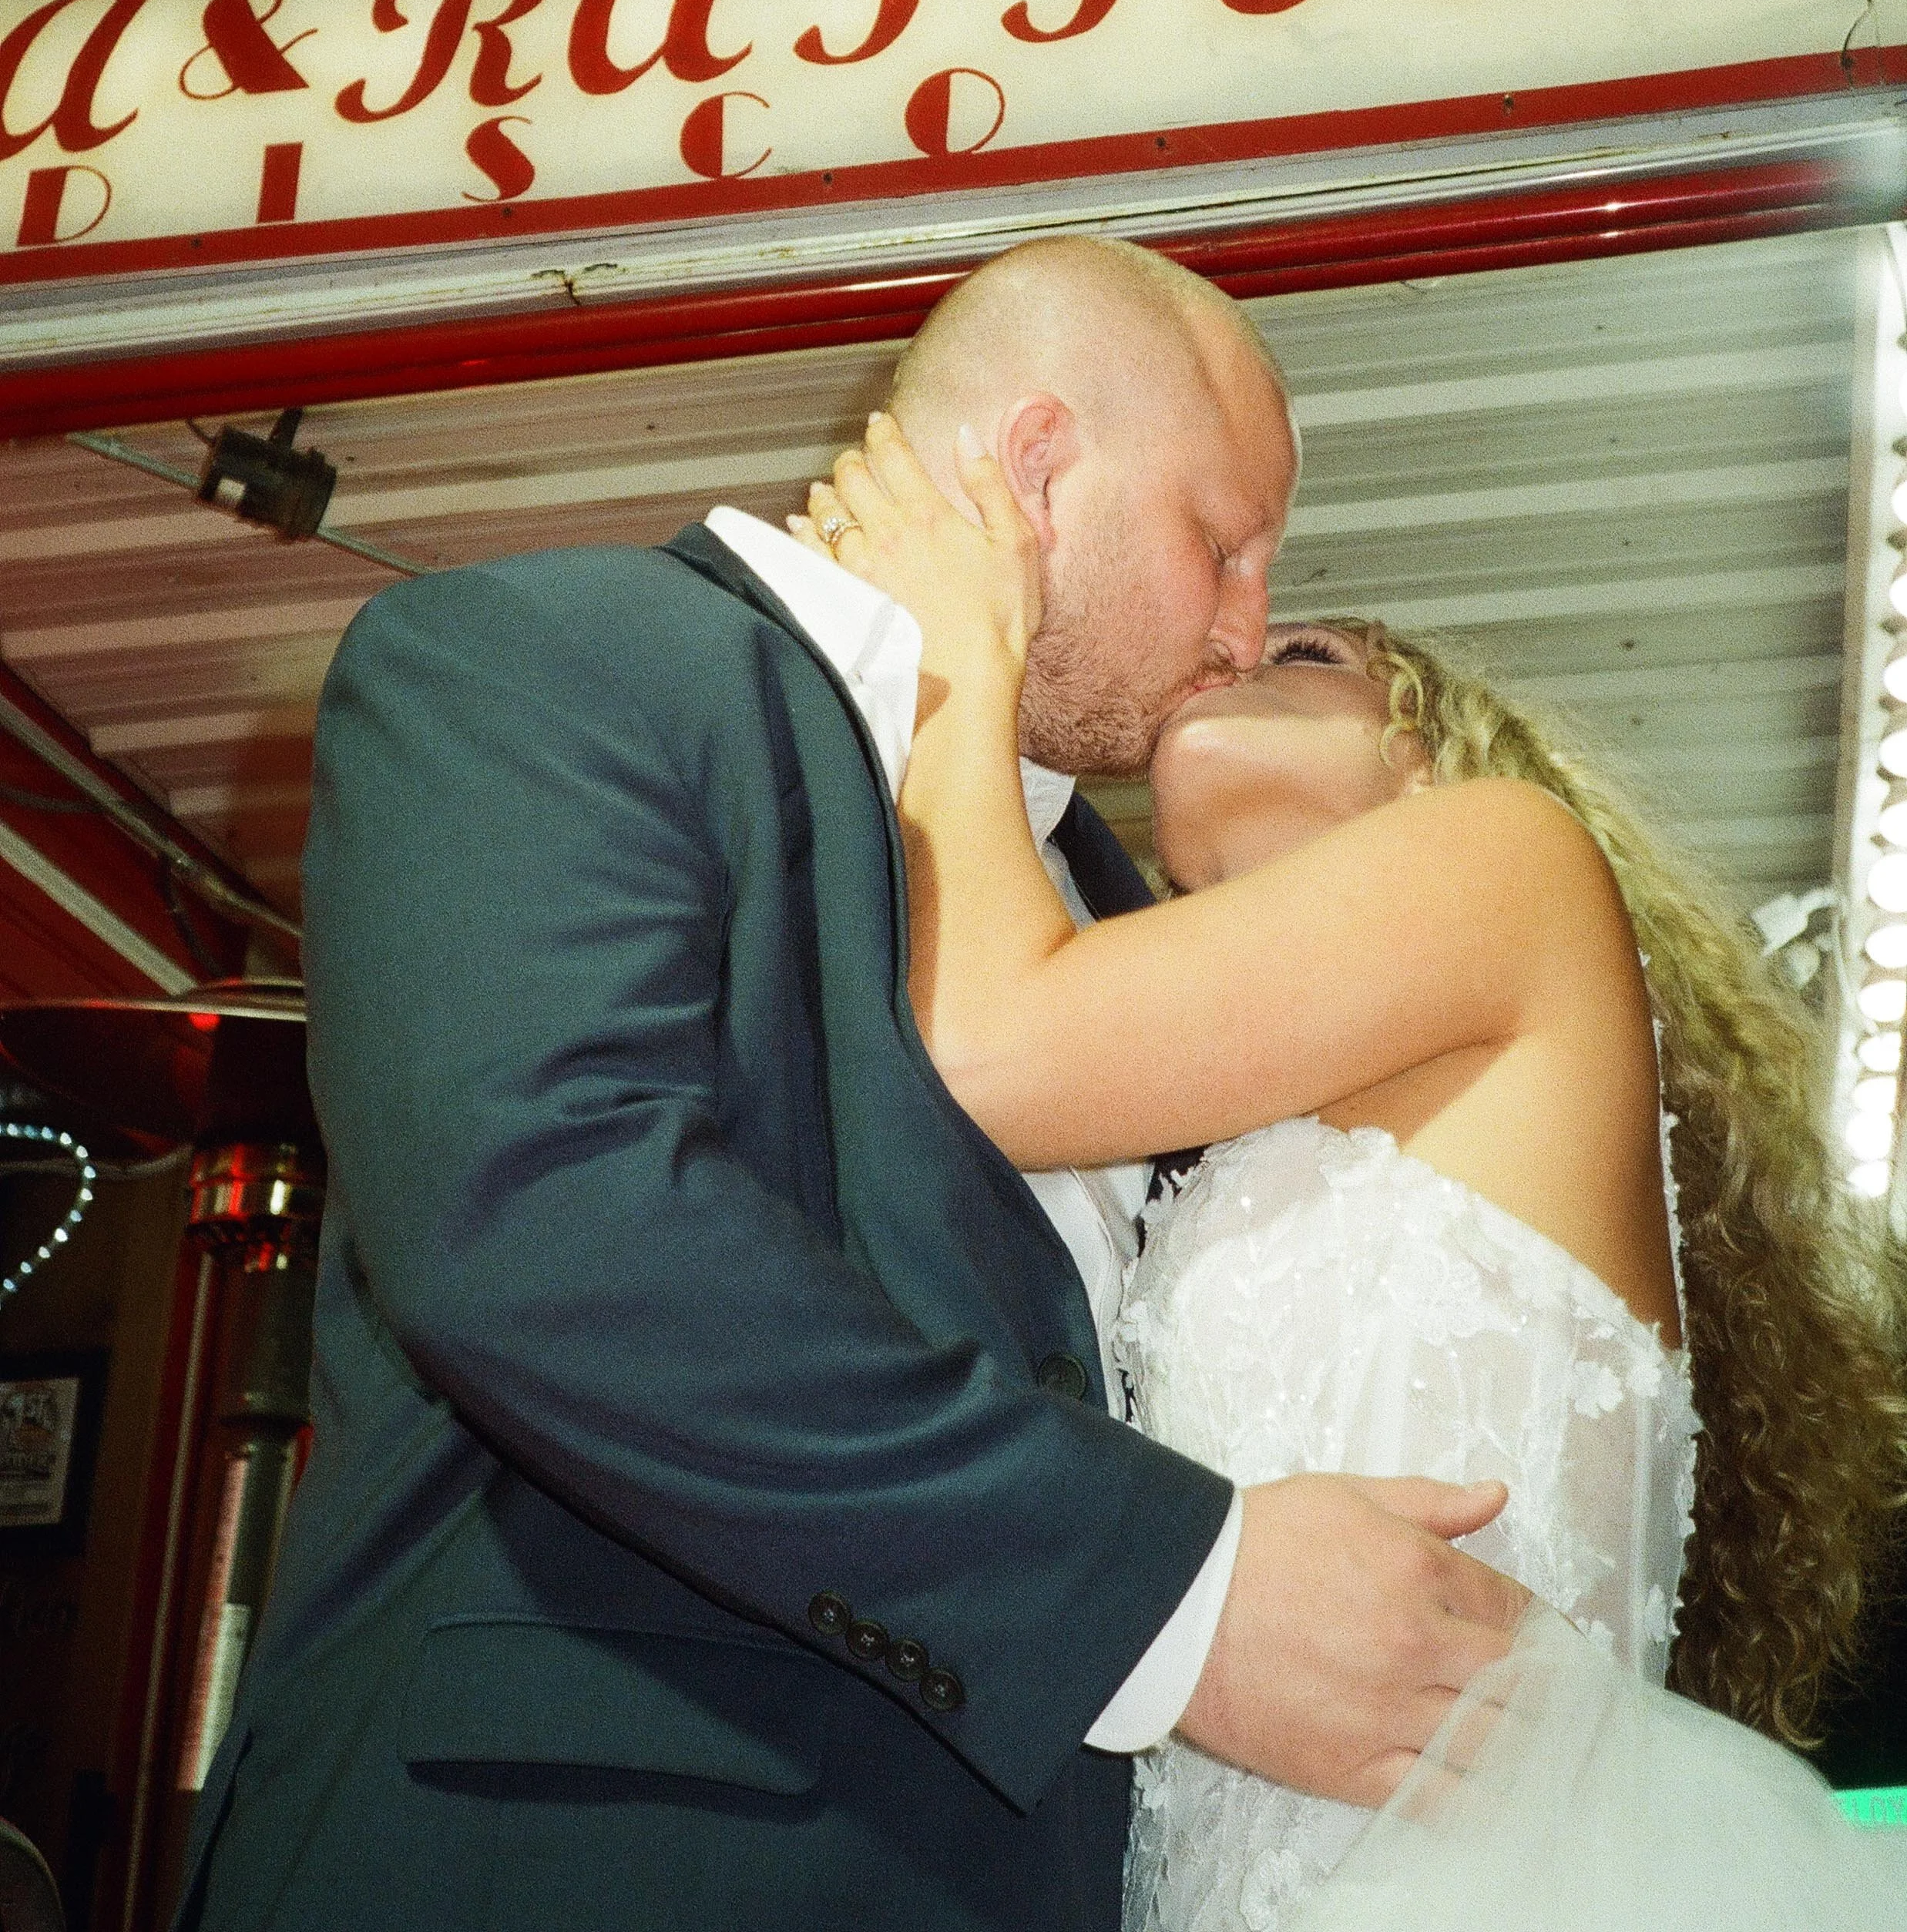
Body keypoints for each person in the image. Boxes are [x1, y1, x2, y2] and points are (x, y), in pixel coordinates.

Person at [177, 237, 1526, 1932]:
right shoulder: (548, 658)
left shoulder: (1121, 926)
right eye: (1223, 541)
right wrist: (1170, 1601)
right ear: (1040, 465)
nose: (1249, 625)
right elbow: (547, 1227)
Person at [794, 416, 1907, 1932]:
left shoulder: (1503, 858)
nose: (1234, 646)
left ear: (1430, 754)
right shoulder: (1221, 1129)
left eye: (1306, 650)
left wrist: (958, 656)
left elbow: (987, 1053)